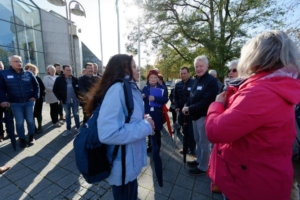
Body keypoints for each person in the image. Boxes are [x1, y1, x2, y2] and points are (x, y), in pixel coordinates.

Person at [205, 30, 300, 200]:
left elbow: (214, 131)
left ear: (256, 56)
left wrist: (217, 104)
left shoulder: (260, 92)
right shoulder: (279, 85)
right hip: (264, 177)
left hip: (250, 184)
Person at [84, 54, 154, 199]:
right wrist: (146, 126)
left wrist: (142, 119)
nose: (138, 69)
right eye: (134, 66)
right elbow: (108, 133)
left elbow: (126, 118)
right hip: (123, 164)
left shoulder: (128, 87)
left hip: (129, 161)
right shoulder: (118, 89)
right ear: (124, 69)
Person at [182, 55, 219, 175]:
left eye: (201, 66)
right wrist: (185, 105)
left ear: (207, 66)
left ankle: (203, 167)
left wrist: (189, 108)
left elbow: (206, 101)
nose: (198, 68)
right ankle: (199, 160)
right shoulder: (196, 80)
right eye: (196, 66)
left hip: (203, 116)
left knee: (204, 143)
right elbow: (191, 96)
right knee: (197, 139)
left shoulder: (212, 82)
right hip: (194, 116)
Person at [0, 55, 39, 147]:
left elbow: (36, 85)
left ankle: (31, 137)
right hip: (15, 103)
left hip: (29, 102)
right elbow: (0, 89)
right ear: (10, 63)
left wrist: (35, 96)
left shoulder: (28, 73)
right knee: (19, 121)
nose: (19, 63)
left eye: (20, 61)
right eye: (16, 61)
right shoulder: (3, 74)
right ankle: (22, 139)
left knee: (30, 120)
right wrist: (3, 100)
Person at [142, 70, 168, 187]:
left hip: (157, 113)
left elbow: (165, 99)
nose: (153, 79)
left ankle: (157, 147)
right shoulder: (145, 88)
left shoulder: (162, 88)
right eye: (151, 78)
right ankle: (150, 146)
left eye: (155, 78)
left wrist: (155, 99)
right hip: (147, 113)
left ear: (157, 79)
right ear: (148, 79)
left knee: (157, 131)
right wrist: (143, 96)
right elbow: (141, 98)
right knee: (149, 131)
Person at [53, 65, 80, 136]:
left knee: (76, 114)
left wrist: (78, 97)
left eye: (70, 70)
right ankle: (68, 129)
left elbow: (79, 89)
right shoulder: (59, 79)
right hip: (65, 101)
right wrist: (60, 99)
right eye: (67, 70)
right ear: (64, 71)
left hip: (75, 101)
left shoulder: (75, 79)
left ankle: (78, 128)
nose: (69, 71)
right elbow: (55, 90)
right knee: (67, 115)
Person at [174, 67, 196, 155]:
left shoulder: (194, 83)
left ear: (188, 73)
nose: (183, 75)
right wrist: (176, 106)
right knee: (184, 131)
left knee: (191, 132)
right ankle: (185, 148)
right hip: (181, 113)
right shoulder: (178, 84)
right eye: (181, 73)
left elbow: (195, 97)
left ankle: (192, 149)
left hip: (191, 112)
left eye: (184, 73)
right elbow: (175, 97)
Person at [25, 63, 45, 134]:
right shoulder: (24, 79)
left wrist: (37, 96)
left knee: (38, 113)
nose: (32, 71)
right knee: (31, 114)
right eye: (31, 69)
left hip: (38, 99)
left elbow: (42, 88)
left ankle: (40, 126)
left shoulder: (38, 78)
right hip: (29, 100)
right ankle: (34, 127)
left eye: (34, 70)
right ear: (26, 70)